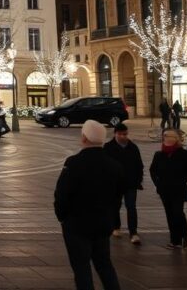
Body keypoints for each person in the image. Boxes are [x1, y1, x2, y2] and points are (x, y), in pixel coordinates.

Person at [53, 120, 124, 290]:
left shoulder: (74, 163)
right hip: (103, 223)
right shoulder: (113, 165)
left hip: (77, 225)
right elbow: (118, 196)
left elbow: (62, 194)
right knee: (105, 265)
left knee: (82, 269)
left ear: (84, 138)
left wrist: (62, 216)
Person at [149, 129, 187, 249]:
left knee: (177, 213)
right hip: (164, 190)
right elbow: (153, 170)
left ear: (176, 139)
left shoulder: (183, 154)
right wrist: (157, 183)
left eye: (170, 136)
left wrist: (182, 181)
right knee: (170, 214)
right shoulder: (159, 155)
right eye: (165, 136)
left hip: (179, 189)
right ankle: (175, 240)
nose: (167, 138)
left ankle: (184, 234)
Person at [103, 123, 143, 245]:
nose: (122, 136)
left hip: (131, 183)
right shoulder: (108, 147)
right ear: (115, 134)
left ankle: (133, 233)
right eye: (120, 134)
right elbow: (105, 166)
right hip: (115, 184)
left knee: (131, 207)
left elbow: (139, 165)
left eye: (125, 134)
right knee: (115, 206)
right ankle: (116, 227)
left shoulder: (133, 147)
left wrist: (138, 179)